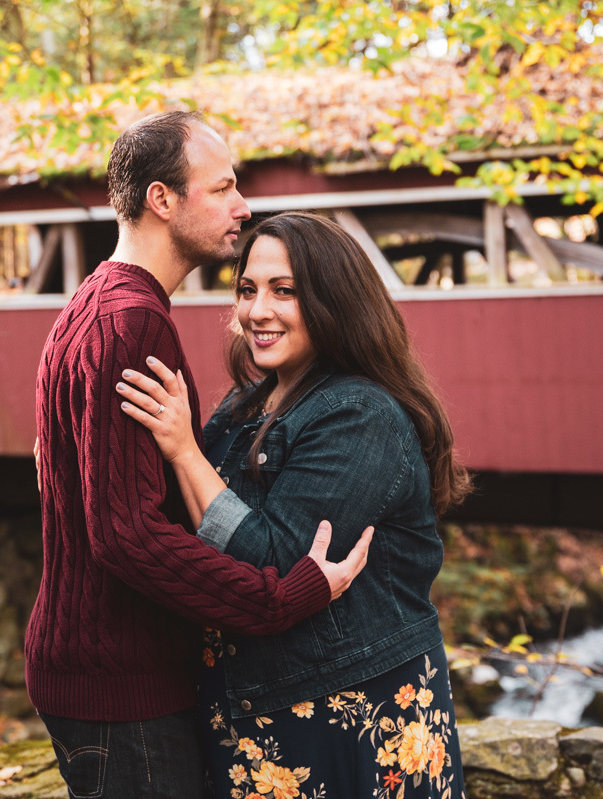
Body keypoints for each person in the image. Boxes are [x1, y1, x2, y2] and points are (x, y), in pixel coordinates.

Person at [26, 112, 374, 799]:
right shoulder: (132, 320)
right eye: (221, 189)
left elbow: (57, 465)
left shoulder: (94, 303)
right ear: (162, 199)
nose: (242, 207)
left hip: (90, 666)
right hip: (122, 683)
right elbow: (124, 532)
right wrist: (279, 598)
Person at [117, 211, 472, 798]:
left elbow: (278, 562)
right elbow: (190, 522)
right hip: (254, 706)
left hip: (351, 708)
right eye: (248, 289)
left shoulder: (361, 415)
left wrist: (184, 451)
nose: (259, 310)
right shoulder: (244, 406)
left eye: (285, 291)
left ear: (336, 302)